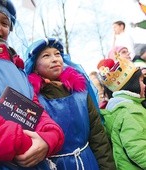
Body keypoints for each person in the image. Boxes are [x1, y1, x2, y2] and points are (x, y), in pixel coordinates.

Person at [0, 1, 64, 169]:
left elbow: (35, 110)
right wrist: (22, 142)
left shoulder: (17, 70)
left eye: (4, 23)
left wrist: (50, 137)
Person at [24, 38, 116, 170]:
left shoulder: (81, 93)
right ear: (34, 67)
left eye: (57, 54)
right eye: (46, 55)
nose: (55, 59)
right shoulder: (32, 99)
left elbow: (98, 136)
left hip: (88, 163)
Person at [97, 56, 146, 169]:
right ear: (132, 85)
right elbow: (138, 149)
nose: (144, 85)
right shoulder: (129, 111)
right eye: (141, 81)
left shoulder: (124, 107)